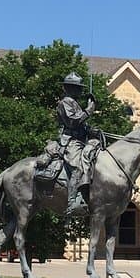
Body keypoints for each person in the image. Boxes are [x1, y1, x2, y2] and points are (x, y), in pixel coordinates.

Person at [58, 72, 96, 217]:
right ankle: (72, 202)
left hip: (80, 140)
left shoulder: (75, 103)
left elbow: (80, 125)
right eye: (78, 88)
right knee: (78, 166)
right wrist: (88, 111)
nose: (80, 91)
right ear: (69, 88)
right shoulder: (65, 103)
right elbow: (72, 122)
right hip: (70, 141)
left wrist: (91, 130)